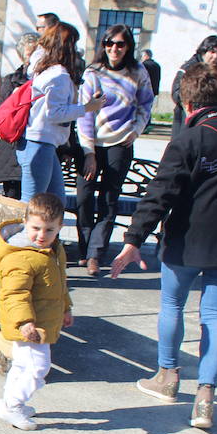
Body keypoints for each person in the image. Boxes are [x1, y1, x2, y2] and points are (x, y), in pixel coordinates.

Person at [110, 63, 217, 430]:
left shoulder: (187, 140)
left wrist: (133, 239)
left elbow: (160, 194)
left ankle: (167, 377)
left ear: (187, 101)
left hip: (187, 240)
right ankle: (205, 397)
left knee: (173, 305)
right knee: (215, 316)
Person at [75, 23, 155, 275]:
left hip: (120, 143)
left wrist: (136, 129)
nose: (114, 49)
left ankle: (96, 255)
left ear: (128, 46)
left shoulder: (138, 72)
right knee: (84, 197)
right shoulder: (93, 73)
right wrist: (88, 152)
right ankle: (85, 248)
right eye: (109, 43)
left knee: (109, 200)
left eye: (120, 44)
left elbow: (146, 104)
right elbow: (84, 114)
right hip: (92, 143)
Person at [0, 192, 72, 430]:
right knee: (39, 367)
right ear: (25, 222)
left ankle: (9, 404)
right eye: (35, 228)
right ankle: (13, 406)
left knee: (23, 365)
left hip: (43, 320)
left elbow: (60, 283)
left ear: (60, 227)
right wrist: (24, 322)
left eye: (49, 230)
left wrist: (66, 308)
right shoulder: (21, 257)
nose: (41, 236)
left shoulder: (52, 251)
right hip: (30, 325)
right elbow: (14, 294)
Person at [17, 21, 104, 202]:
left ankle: (40, 230)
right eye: (74, 44)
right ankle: (9, 231)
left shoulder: (44, 69)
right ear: (67, 46)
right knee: (31, 205)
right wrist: (87, 108)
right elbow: (55, 113)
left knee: (56, 201)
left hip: (41, 143)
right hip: (40, 143)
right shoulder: (59, 75)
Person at [0, 32, 40, 201]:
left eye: (38, 53)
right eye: (30, 54)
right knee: (13, 202)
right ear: (22, 56)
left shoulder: (50, 81)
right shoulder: (11, 81)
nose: (34, 59)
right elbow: (2, 115)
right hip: (12, 152)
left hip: (38, 152)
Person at [171, 35, 217, 139]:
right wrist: (199, 99)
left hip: (215, 121)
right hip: (187, 119)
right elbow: (176, 94)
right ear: (204, 51)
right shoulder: (188, 69)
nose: (215, 56)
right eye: (212, 52)